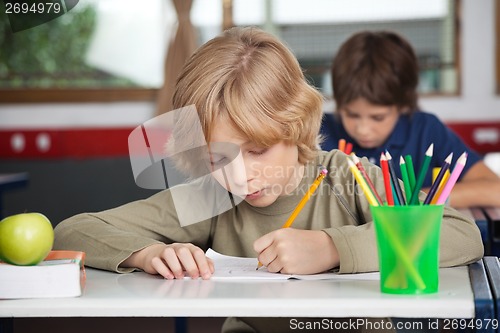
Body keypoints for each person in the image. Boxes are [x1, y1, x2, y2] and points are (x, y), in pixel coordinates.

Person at [54, 27, 483, 333]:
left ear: (295, 126)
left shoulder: (346, 178)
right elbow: (73, 230)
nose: (240, 177)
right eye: (217, 157)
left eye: (257, 150)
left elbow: (461, 232)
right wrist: (145, 254)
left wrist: (334, 247)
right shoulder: (211, 197)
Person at [320, 30, 500, 209]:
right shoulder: (318, 129)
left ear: (403, 105)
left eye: (378, 117)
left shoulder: (425, 129)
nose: (363, 129)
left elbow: (494, 189)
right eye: (351, 114)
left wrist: (413, 201)